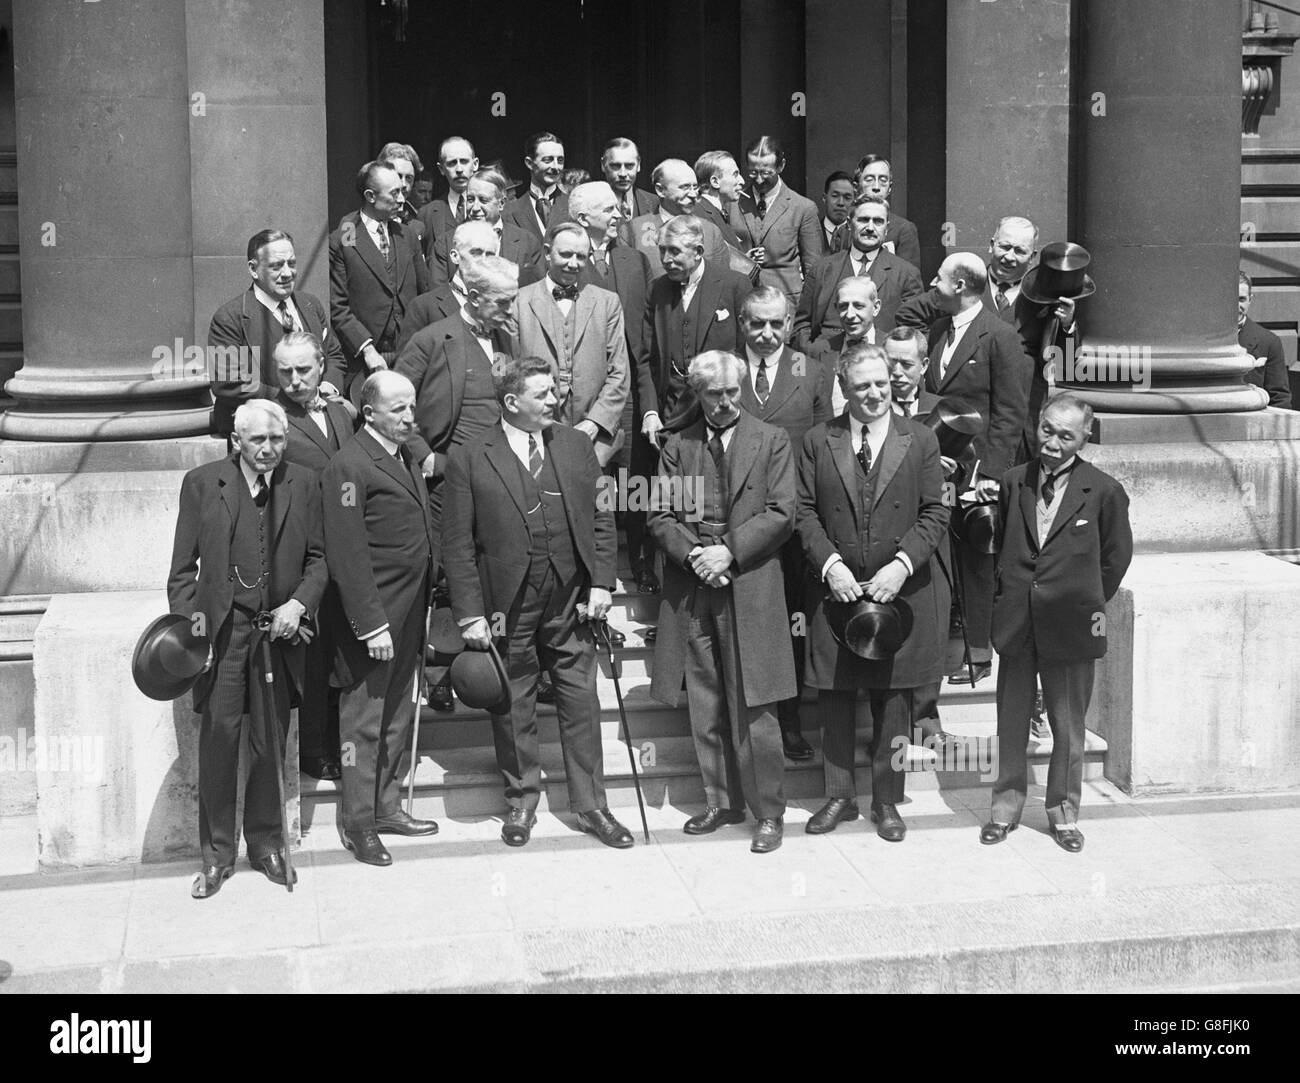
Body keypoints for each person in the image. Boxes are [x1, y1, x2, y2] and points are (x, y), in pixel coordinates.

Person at [441, 355, 634, 849]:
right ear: (511, 402)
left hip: (571, 600)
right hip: (508, 605)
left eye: (554, 391)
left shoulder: (574, 445)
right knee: (513, 704)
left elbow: (602, 515)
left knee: (581, 701)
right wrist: (469, 614)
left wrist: (601, 583)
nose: (556, 400)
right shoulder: (470, 455)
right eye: (543, 394)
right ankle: (521, 800)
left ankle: (592, 806)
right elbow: (458, 544)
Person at [167, 399, 327, 897]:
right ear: (236, 441)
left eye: (277, 439)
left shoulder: (304, 484)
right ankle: (216, 857)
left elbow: (320, 560)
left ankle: (267, 846)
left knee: (269, 741)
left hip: (278, 635)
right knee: (219, 740)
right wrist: (198, 636)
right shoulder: (202, 483)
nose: (268, 450)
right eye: (258, 440)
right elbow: (181, 574)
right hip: (225, 635)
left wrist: (298, 605)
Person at [795, 344, 949, 842]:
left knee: (895, 699)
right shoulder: (819, 440)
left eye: (882, 382)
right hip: (836, 591)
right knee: (836, 696)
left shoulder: (920, 439)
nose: (875, 393)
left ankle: (886, 800)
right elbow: (802, 512)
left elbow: (935, 513)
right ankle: (839, 796)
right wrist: (831, 566)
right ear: (844, 387)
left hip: (898, 590)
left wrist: (901, 567)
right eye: (862, 385)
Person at [648, 350, 797, 853]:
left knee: (756, 704)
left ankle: (768, 812)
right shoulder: (678, 445)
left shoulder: (772, 440)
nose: (726, 402)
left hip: (750, 581)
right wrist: (696, 556)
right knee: (706, 698)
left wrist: (728, 552)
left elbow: (781, 513)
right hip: (695, 585)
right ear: (698, 394)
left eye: (733, 392)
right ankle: (720, 800)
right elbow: (660, 514)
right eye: (715, 394)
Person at [980, 394, 1133, 853]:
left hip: (1070, 623)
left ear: (1085, 437)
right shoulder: (1013, 482)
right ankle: (1004, 809)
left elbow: (1115, 558)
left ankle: (1063, 814)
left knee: (1068, 725)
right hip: (1018, 622)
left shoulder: (1103, 490)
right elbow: (1004, 546)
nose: (1052, 443)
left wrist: (1082, 598)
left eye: (1066, 436)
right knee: (1010, 720)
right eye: (1047, 430)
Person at [321, 371, 439, 867]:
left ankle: (387, 806)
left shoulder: (405, 454)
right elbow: (346, 553)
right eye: (399, 410)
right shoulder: (349, 467)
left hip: (411, 610)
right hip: (374, 619)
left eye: (413, 407)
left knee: (396, 716)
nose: (411, 418)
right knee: (363, 724)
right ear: (369, 414)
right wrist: (370, 625)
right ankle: (358, 824)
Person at [922, 252, 1032, 684]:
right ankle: (945, 642)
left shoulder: (999, 336)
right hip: (939, 465)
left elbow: (1011, 410)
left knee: (978, 559)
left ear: (962, 287)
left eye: (941, 279)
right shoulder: (937, 331)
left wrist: (989, 474)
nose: (934, 283)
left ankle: (979, 654)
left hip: (976, 473)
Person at [738, 287, 831, 760]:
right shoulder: (725, 370)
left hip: (790, 523)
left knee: (791, 623)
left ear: (791, 322)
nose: (767, 333)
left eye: (777, 323)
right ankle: (740, 725)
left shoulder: (809, 371)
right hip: (735, 523)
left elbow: (821, 447)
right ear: (742, 322)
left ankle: (789, 722)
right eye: (757, 323)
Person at [896, 216, 1080, 448]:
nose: (1009, 257)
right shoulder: (964, 284)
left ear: (1032, 257)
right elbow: (909, 315)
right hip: (961, 414)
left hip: (1020, 417)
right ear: (991, 245)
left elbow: (1066, 366)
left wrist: (1067, 326)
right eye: (1004, 247)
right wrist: (940, 348)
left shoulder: (1045, 297)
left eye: (1020, 251)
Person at [273, 332, 357, 781]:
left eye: (303, 369)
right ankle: (313, 751)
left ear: (321, 366)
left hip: (347, 547)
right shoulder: (276, 418)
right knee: (313, 657)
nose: (294, 380)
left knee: (341, 653)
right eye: (285, 371)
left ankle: (342, 747)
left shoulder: (341, 413)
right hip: (307, 551)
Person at [570, 181, 660, 593]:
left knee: (636, 479)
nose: (619, 216)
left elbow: (643, 328)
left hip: (634, 388)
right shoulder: (565, 263)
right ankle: (594, 571)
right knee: (595, 481)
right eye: (609, 209)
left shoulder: (634, 259)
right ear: (583, 217)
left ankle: (641, 561)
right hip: (589, 396)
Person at [394, 254, 518, 532]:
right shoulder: (431, 340)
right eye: (503, 302)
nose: (511, 310)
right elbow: (394, 405)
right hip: (448, 481)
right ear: (474, 297)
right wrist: (426, 457)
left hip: (500, 478)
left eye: (513, 300)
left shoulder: (506, 340)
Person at [208, 228, 347, 438]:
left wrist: (328, 386)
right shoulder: (229, 317)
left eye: (291, 263)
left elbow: (333, 355)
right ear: (254, 269)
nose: (287, 273)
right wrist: (294, 396)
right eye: (276, 266)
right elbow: (228, 381)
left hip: (319, 418)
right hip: (264, 429)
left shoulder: (311, 305)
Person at [515, 220, 629, 464]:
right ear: (547, 253)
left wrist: (594, 423)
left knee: (599, 500)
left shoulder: (608, 302)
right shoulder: (519, 302)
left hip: (596, 441)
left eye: (581, 256)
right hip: (535, 435)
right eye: (565, 255)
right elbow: (506, 369)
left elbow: (619, 372)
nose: (573, 264)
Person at [639, 215, 753, 443]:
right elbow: (647, 359)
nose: (666, 259)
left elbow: (748, 354)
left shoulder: (734, 286)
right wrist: (650, 412)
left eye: (674, 251)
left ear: (698, 251)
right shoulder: (657, 290)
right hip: (669, 417)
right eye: (662, 251)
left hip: (720, 412)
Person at [328, 161, 430, 401]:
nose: (402, 198)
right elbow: (338, 307)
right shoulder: (346, 235)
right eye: (394, 193)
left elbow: (425, 295)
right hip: (367, 360)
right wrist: (368, 350)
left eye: (403, 190)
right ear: (370, 196)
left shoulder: (407, 234)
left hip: (410, 355)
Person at [792, 195, 923, 352]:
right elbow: (802, 324)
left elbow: (914, 332)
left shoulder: (906, 274)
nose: (870, 227)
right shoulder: (822, 269)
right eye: (863, 220)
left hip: (881, 360)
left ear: (886, 228)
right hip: (827, 359)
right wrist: (811, 351)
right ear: (849, 223)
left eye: (878, 221)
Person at [733, 134, 822, 306]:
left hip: (786, 306)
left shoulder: (803, 208)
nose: (759, 179)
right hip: (742, 304)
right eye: (753, 172)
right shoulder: (732, 204)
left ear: (781, 166)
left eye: (766, 172)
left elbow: (813, 271)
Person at [426, 168, 544, 286]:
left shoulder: (527, 242)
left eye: (483, 200)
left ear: (501, 204)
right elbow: (438, 295)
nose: (475, 208)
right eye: (471, 199)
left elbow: (537, 293)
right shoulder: (446, 243)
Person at [396, 219, 499, 353]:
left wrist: (497, 372)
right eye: (476, 253)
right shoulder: (424, 308)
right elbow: (407, 368)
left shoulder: (498, 307)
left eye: (490, 254)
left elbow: (501, 358)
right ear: (455, 256)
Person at [629, 158, 732, 278]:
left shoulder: (711, 231)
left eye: (695, 187)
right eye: (685, 187)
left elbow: (720, 284)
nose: (693, 194)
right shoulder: (633, 231)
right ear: (660, 190)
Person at [809, 276, 887, 415]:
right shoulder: (818, 351)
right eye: (843, 306)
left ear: (876, 307)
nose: (850, 315)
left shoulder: (891, 349)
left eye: (858, 306)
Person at [833, 154, 921, 269]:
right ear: (856, 187)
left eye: (883, 180)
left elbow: (909, 278)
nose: (876, 187)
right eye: (869, 180)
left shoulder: (904, 230)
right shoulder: (843, 231)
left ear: (889, 188)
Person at [1238, 271, 1292, 407]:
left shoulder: (1269, 342)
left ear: (1250, 299)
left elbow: (1280, 398)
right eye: (1230, 299)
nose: (1236, 306)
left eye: (1241, 299)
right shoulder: (1203, 339)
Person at [503, 131, 570, 240]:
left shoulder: (573, 207)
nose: (555, 167)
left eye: (560, 160)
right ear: (529, 163)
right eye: (548, 160)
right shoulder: (509, 212)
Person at [418, 136, 480, 239]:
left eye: (464, 161)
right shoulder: (427, 214)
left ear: (475, 164)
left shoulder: (491, 208)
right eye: (452, 163)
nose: (459, 169)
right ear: (441, 169)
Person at [601, 136, 659, 243]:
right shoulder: (591, 203)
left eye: (629, 166)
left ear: (639, 165)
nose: (623, 173)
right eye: (615, 166)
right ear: (603, 165)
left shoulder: (654, 203)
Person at [378, 142, 427, 253]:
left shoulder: (417, 226)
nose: (403, 184)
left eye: (409, 178)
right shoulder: (357, 222)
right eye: (398, 176)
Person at [693, 150, 746, 249]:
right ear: (715, 182)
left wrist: (744, 260)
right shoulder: (700, 215)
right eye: (735, 174)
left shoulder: (716, 211)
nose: (742, 181)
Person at [820, 170, 856, 254]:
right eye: (835, 196)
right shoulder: (811, 232)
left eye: (847, 198)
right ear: (824, 198)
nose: (841, 203)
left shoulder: (858, 235)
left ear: (854, 201)